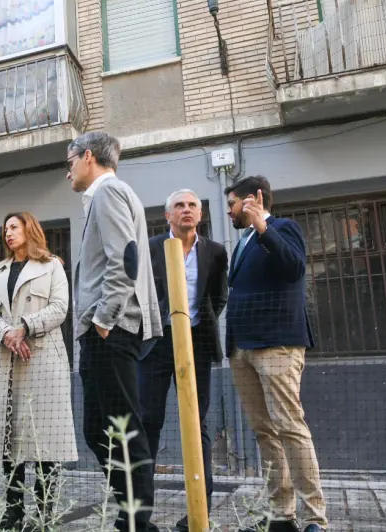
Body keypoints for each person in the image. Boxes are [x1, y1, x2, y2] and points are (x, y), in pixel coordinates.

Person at [67, 130, 161, 532]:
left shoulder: (108, 193)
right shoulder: (107, 197)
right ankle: (130, 511)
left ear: (88, 157)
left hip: (110, 329)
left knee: (122, 425)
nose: (67, 171)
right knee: (98, 428)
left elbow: (125, 259)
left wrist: (104, 319)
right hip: (103, 330)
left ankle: (138, 521)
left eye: (69, 161)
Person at [224, 176, 327, 532]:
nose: (228, 210)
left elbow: (294, 268)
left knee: (290, 427)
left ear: (254, 199)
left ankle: (315, 519)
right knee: (264, 432)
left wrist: (263, 227)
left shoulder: (283, 228)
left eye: (233, 203)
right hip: (242, 349)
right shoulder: (243, 243)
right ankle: (282, 516)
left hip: (277, 344)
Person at [0, 212, 78, 531]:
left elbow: (60, 308)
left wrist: (24, 328)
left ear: (29, 229)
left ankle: (45, 512)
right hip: (5, 362)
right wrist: (7, 334)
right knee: (10, 443)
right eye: (5, 228)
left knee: (43, 442)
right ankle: (13, 512)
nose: (7, 233)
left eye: (14, 227)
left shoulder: (52, 266)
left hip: (41, 363)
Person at [141, 189, 228, 532]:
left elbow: (218, 297)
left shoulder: (216, 252)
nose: (187, 210)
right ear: (168, 216)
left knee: (198, 422)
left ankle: (199, 511)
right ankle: (141, 514)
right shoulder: (150, 248)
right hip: (157, 344)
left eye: (193, 205)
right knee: (148, 422)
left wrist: (200, 324)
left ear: (201, 214)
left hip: (197, 343)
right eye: (179, 206)